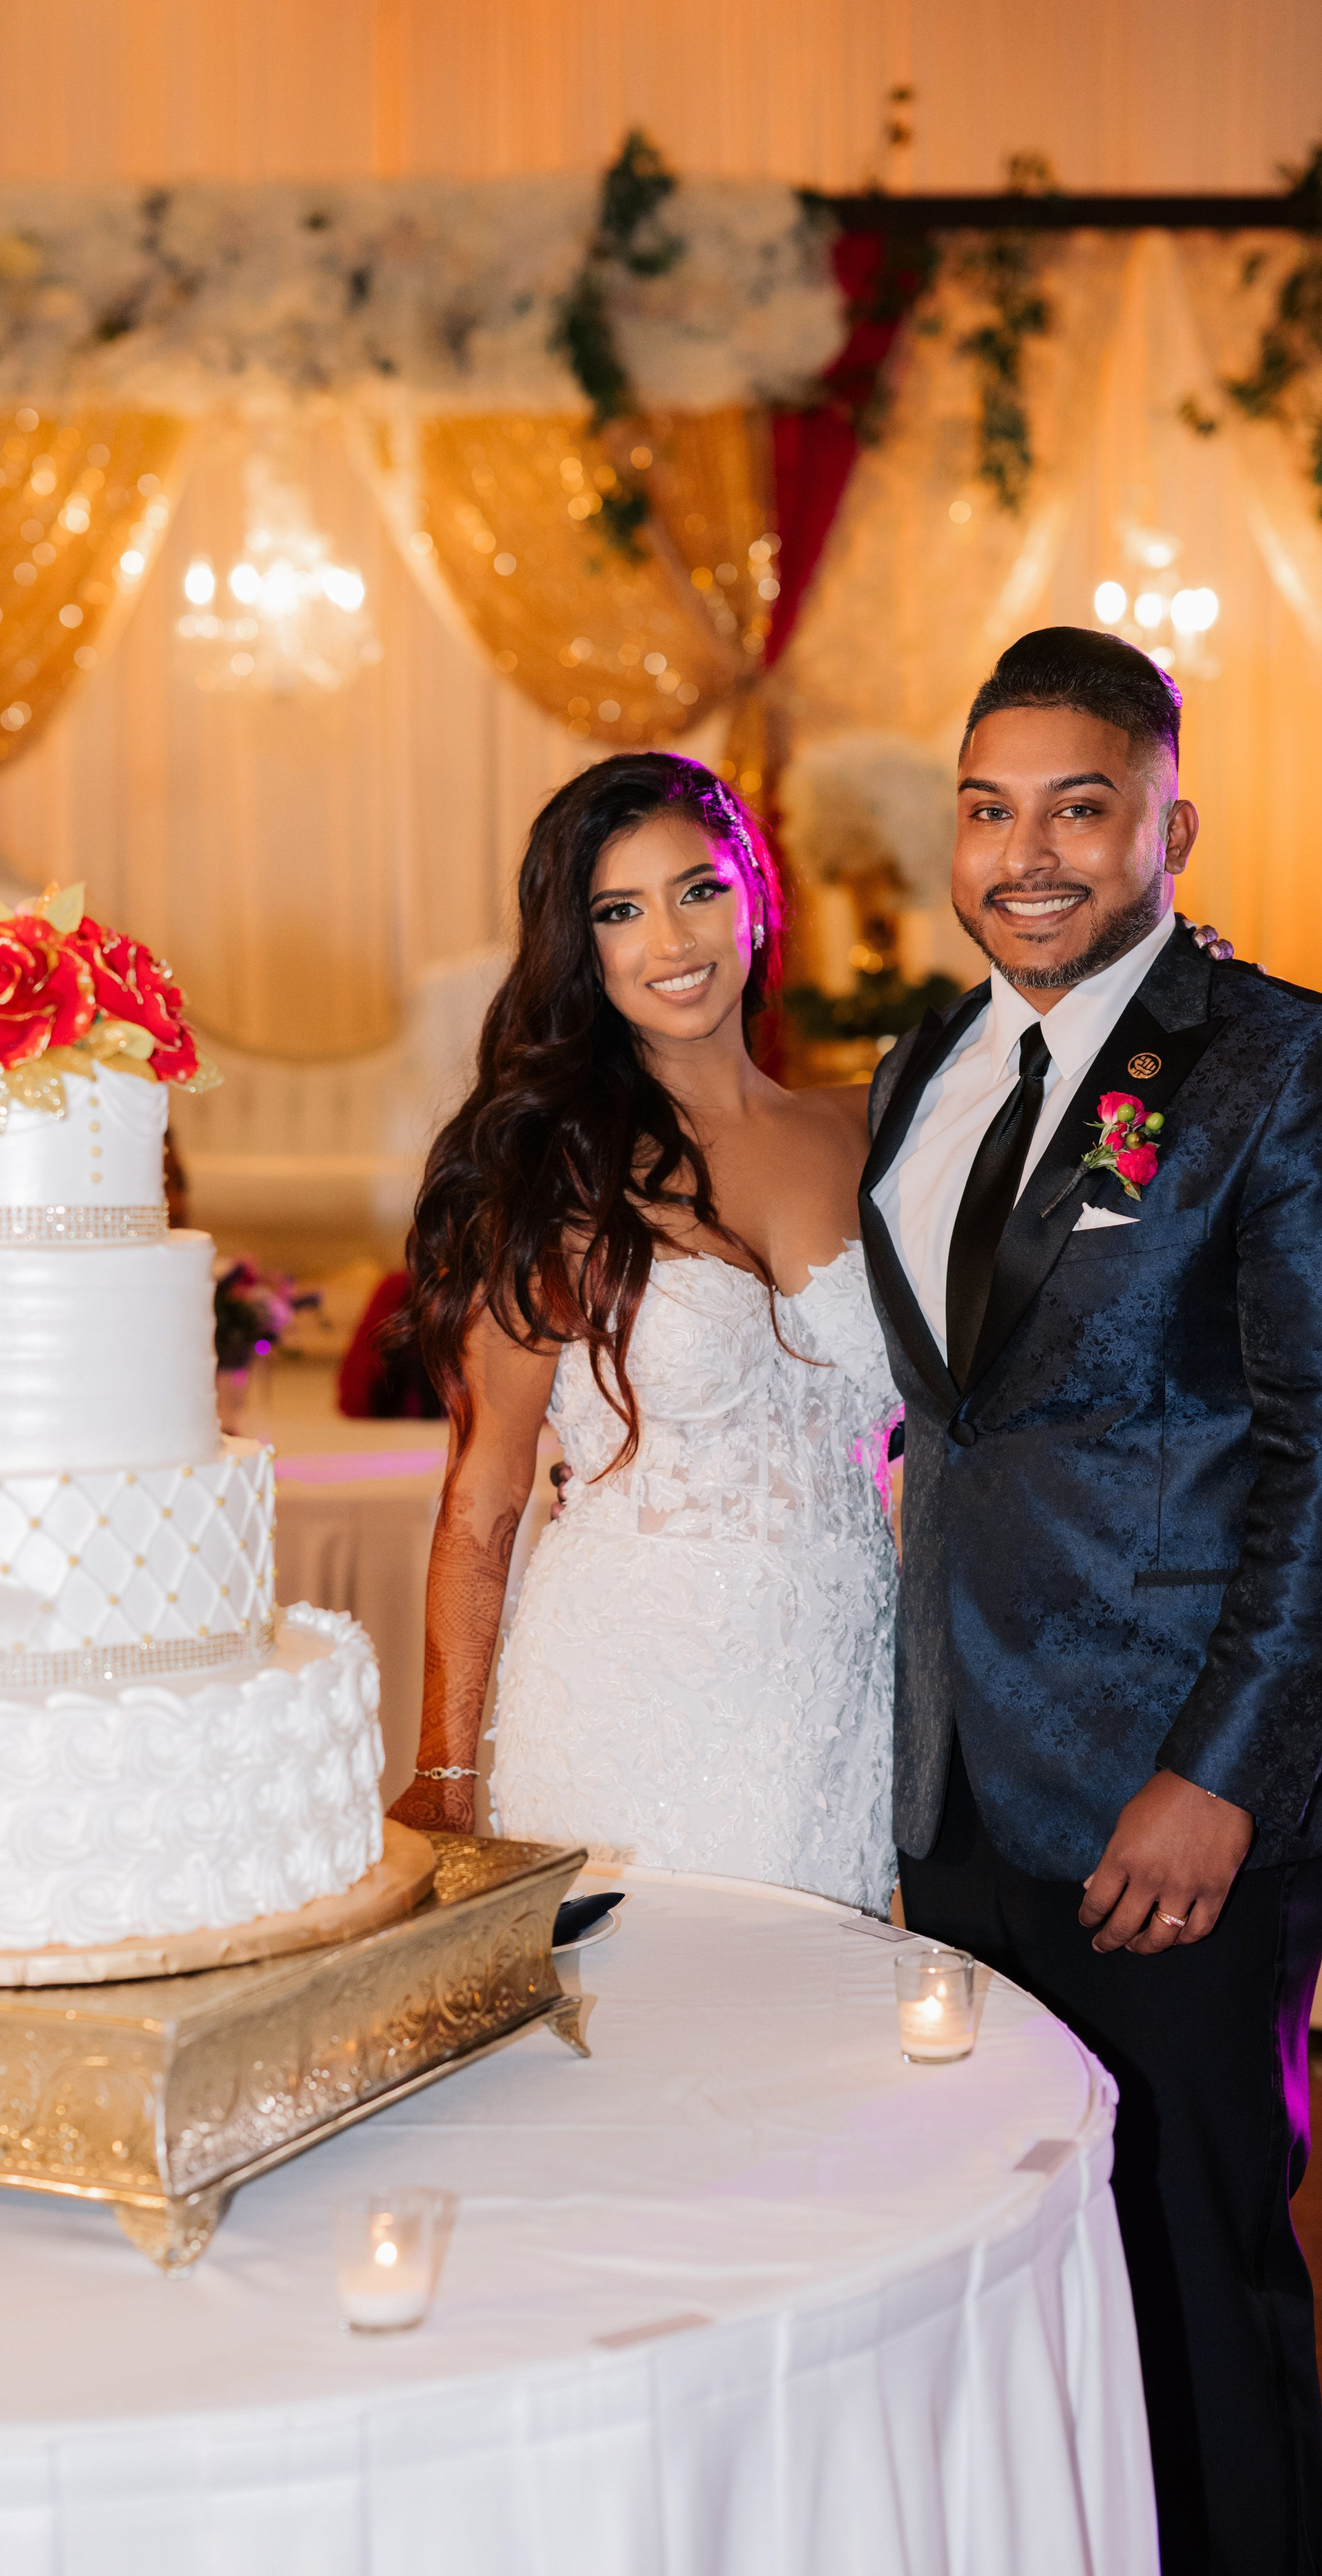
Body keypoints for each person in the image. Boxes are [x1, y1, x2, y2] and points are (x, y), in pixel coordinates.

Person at [863, 626, 1322, 2576]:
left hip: (1173, 1787)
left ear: (1167, 822)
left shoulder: (1299, 1068)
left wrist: (1219, 1774)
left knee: (1190, 2277)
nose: (1027, 854)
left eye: (1078, 806)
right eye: (989, 806)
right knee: (1004, 2269)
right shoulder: (919, 1066)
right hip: (950, 1790)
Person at [390, 751, 898, 1904]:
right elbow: (484, 1498)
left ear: (757, 899)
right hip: (624, 1689)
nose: (670, 942)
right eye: (620, 912)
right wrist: (446, 1769)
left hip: (835, 1690)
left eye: (698, 890)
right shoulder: (551, 1173)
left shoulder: (868, 1127)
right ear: (586, 950)